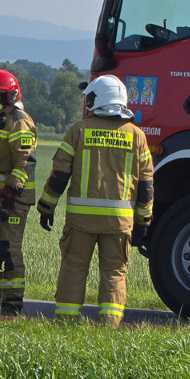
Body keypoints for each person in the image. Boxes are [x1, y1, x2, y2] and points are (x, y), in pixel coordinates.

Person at [36, 74, 153, 327]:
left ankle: (66, 322)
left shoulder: (78, 131)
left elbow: (59, 175)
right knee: (114, 272)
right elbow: (146, 185)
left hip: (81, 221)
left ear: (96, 100)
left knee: (74, 267)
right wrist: (143, 222)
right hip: (119, 223)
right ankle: (109, 325)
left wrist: (47, 206)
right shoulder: (136, 136)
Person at [0, 70, 38, 315]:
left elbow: (25, 161)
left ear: (9, 95)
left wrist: (11, 191)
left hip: (13, 199)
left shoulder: (18, 120)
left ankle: (12, 302)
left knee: (8, 248)